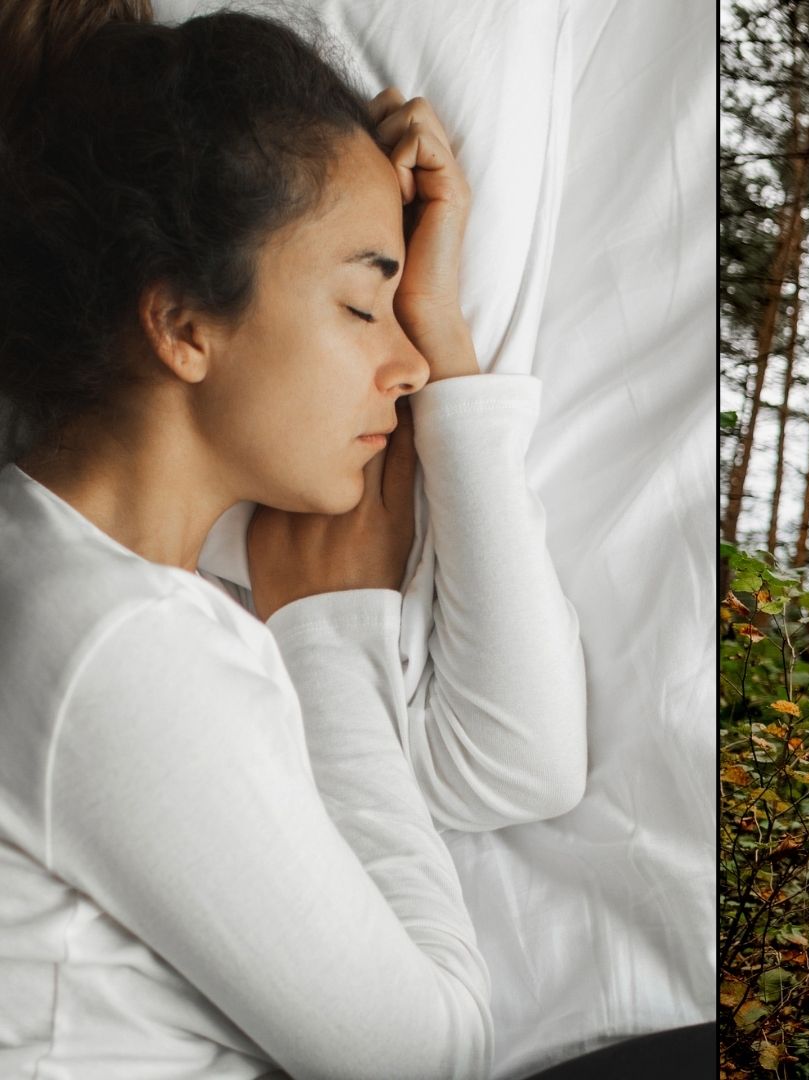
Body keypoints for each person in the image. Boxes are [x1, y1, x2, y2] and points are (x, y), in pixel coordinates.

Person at [0, 2, 584, 1075]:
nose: (405, 366)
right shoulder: (109, 645)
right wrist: (328, 638)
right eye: (365, 308)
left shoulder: (105, 586)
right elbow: (433, 1059)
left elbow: (512, 769)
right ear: (183, 323)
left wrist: (446, 341)